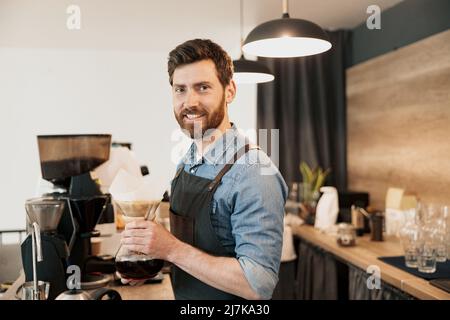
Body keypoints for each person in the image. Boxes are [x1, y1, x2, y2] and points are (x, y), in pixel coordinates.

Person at [120, 39, 288, 300]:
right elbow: (192, 252)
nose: (190, 102)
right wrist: (149, 261)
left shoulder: (254, 173)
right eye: (181, 90)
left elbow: (259, 284)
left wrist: (170, 249)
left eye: (203, 87)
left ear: (229, 90)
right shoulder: (187, 160)